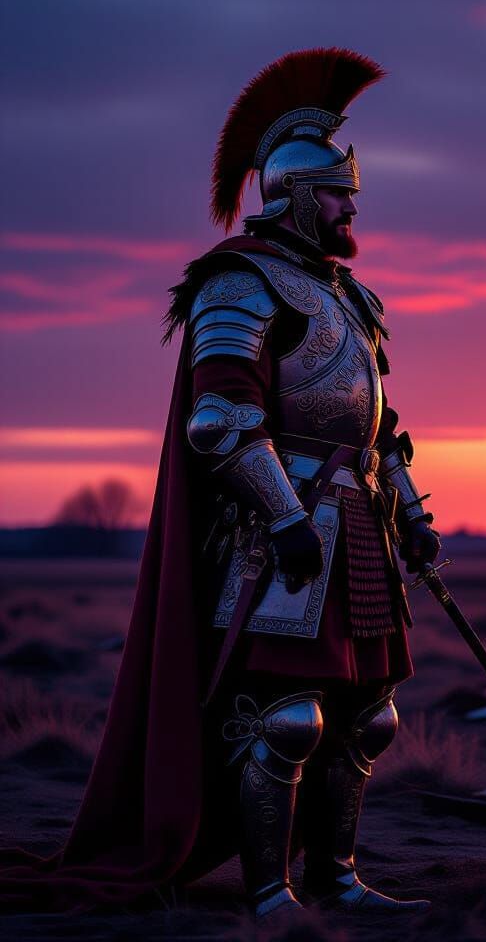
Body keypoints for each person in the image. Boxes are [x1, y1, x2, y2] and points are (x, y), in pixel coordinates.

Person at [0, 48, 440, 918]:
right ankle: (269, 892)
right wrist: (282, 517)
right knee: (285, 719)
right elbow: (222, 419)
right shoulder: (238, 283)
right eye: (340, 193)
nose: (353, 207)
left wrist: (413, 516)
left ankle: (336, 876)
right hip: (276, 524)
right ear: (297, 196)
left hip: (358, 519)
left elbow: (380, 424)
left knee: (367, 716)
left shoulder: (351, 300)